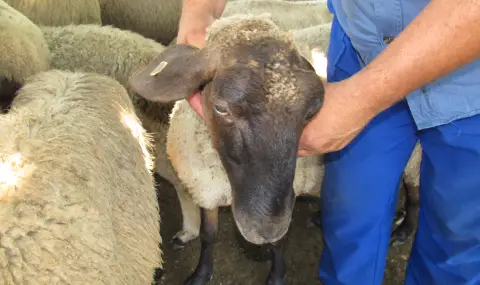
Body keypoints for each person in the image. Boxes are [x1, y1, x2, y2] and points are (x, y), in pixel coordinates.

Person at [176, 0, 480, 284]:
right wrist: (198, 14)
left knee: (457, 237)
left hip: (469, 71)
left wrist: (361, 100)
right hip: (362, 46)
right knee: (350, 213)